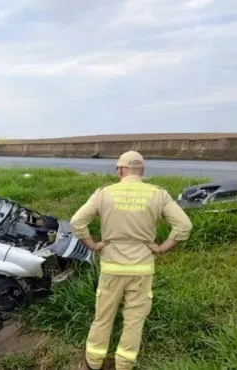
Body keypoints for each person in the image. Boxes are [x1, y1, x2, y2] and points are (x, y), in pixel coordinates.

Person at [70, 150, 193, 370]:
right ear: (142, 171)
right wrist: (162, 248)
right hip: (142, 269)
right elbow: (184, 226)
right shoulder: (158, 194)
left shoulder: (104, 193)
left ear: (120, 170)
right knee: (134, 320)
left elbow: (77, 221)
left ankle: (93, 363)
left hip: (111, 268)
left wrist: (93, 245)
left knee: (103, 317)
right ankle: (124, 365)